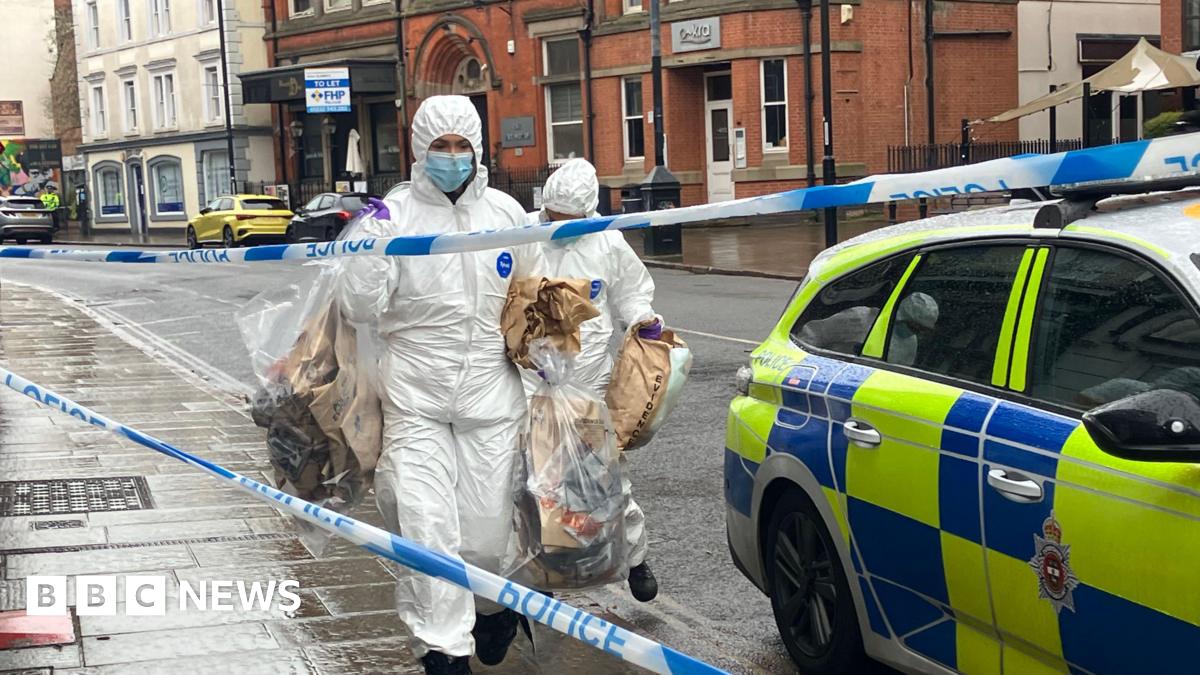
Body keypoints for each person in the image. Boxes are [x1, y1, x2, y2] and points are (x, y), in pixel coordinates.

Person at [336, 95, 542, 675]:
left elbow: (532, 293)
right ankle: (443, 651)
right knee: (426, 529)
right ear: (419, 151)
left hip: (492, 399)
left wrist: (553, 362)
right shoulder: (394, 216)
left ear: (477, 149)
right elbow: (358, 306)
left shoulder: (505, 215)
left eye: (461, 146)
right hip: (415, 399)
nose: (451, 157)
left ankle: (493, 606)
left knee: (483, 538)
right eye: (439, 146)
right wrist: (368, 249)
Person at [524, 158, 660, 603]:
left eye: (569, 221)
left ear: (588, 213)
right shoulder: (523, 235)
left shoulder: (608, 242)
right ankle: (539, 566)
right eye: (553, 218)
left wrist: (644, 320)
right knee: (533, 480)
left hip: (588, 383)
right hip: (532, 383)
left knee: (605, 477)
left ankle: (635, 558)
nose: (559, 226)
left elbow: (633, 292)